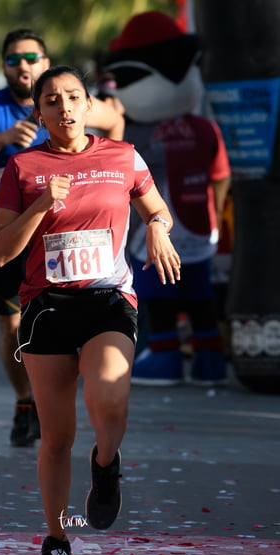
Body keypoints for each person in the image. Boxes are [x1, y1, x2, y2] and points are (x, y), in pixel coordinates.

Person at [0, 65, 181, 555]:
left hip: (108, 301)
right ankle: (57, 541)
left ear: (89, 103)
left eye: (74, 97)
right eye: (53, 100)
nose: (65, 107)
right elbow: (1, 252)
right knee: (55, 438)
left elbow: (155, 208)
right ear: (40, 112)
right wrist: (40, 204)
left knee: (110, 396)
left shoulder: (121, 155)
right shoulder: (23, 167)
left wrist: (159, 230)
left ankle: (106, 461)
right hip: (47, 307)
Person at [0, 28, 125, 448]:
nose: (24, 65)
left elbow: (115, 119)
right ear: (3, 67)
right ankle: (25, 400)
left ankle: (68, 401)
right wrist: (2, 140)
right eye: (14, 59)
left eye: (32, 57)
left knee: (80, 320)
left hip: (67, 235)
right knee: (13, 329)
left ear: (45, 63)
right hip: (12, 234)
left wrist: (106, 183)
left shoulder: (70, 99)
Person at [102, 11, 231, 386]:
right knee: (200, 297)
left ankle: (164, 358)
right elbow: (220, 179)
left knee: (156, 297)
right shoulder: (204, 128)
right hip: (200, 232)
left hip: (153, 235)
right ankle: (211, 362)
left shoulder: (133, 134)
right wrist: (213, 220)